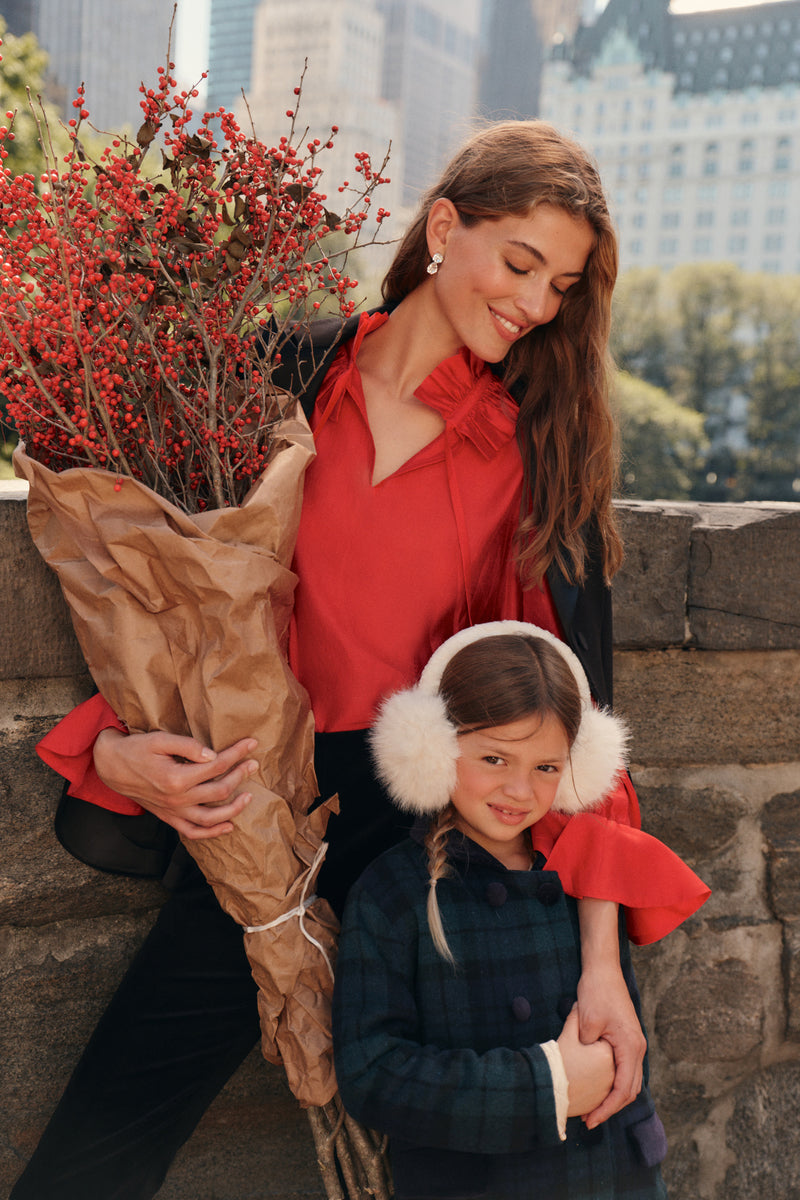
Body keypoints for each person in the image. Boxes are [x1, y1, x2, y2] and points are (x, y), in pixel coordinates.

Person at [11, 121, 707, 1199]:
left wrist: (603, 969)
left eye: (561, 286)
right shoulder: (266, 378)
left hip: (423, 851)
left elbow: (566, 724)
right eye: (520, 262)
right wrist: (116, 752)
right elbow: (159, 600)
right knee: (92, 1158)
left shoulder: (531, 455)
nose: (535, 303)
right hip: (255, 814)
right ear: (444, 227)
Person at [333, 621, 688, 1200]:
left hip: (616, 1178)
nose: (521, 791)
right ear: (433, 748)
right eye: (495, 758)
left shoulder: (582, 876)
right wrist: (547, 1086)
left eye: (546, 767)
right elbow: (371, 1074)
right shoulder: (391, 892)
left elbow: (619, 1030)